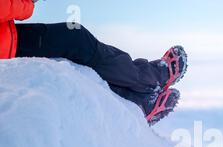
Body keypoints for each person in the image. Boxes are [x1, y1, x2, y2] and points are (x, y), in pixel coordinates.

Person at [0, 0, 187, 125]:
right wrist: (26, 4)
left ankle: (138, 101)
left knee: (73, 48)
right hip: (5, 46)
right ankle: (147, 80)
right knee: (75, 39)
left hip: (6, 39)